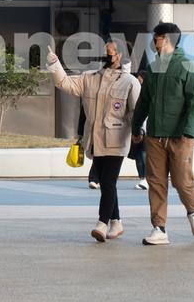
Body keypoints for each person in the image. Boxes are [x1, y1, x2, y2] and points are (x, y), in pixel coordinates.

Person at [49, 40, 140, 241]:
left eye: (111, 51)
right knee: (108, 183)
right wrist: (55, 64)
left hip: (117, 140)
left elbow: (136, 111)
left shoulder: (130, 82)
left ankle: (102, 223)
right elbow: (64, 83)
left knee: (107, 181)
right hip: (95, 140)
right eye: (106, 50)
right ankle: (116, 222)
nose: (106, 54)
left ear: (120, 55)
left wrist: (139, 131)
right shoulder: (89, 78)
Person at [131, 22, 194, 245]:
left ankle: (193, 212)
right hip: (155, 136)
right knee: (156, 182)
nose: (154, 40)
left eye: (158, 37)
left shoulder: (187, 66)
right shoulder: (153, 67)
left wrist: (189, 132)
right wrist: (136, 127)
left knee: (182, 181)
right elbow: (144, 102)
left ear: (168, 39)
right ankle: (159, 227)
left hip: (180, 136)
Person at [129, 70, 148, 190]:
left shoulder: (146, 92)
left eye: (139, 78)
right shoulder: (138, 91)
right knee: (139, 154)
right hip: (139, 127)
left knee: (142, 153)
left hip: (145, 128)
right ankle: (143, 178)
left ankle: (145, 178)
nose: (138, 80)